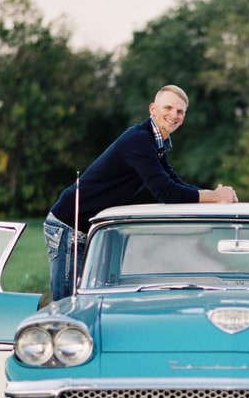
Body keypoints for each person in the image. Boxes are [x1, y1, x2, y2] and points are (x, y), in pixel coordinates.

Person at [45, 84, 238, 301]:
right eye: (169, 108)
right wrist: (215, 197)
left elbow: (174, 182)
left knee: (94, 298)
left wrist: (213, 196)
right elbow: (166, 192)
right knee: (66, 304)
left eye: (180, 111)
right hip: (69, 225)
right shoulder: (139, 139)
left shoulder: (158, 142)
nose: (174, 115)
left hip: (94, 228)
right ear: (152, 109)